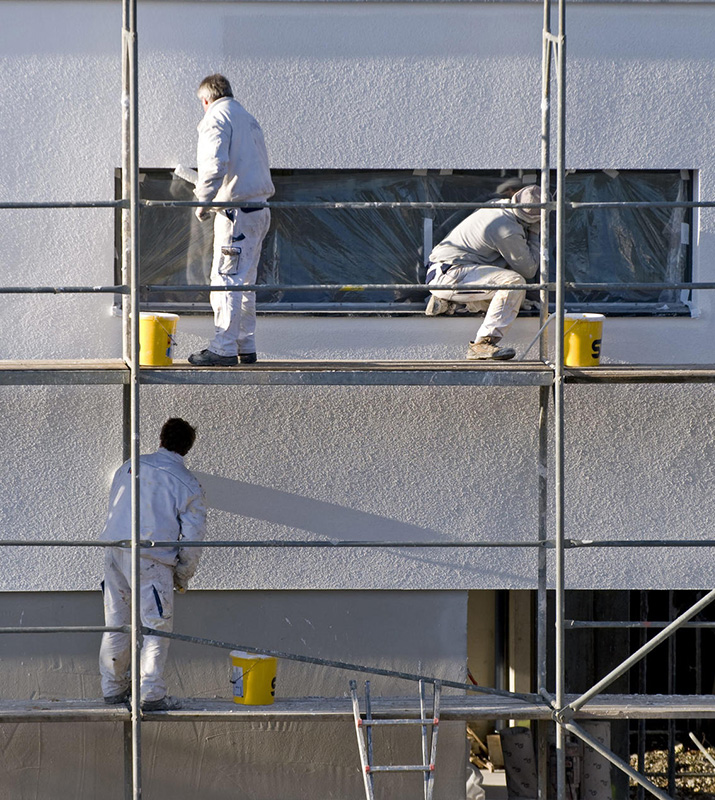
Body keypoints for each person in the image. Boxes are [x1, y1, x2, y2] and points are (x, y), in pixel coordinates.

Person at [99, 418, 206, 711]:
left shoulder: (129, 466)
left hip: (114, 550)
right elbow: (194, 537)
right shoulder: (186, 481)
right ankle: (151, 695)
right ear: (187, 448)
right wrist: (182, 575)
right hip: (151, 557)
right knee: (156, 627)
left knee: (117, 624)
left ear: (161, 439)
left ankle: (112, 689)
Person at [188, 74, 274, 367]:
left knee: (226, 280)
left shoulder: (216, 117)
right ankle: (244, 346)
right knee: (244, 282)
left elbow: (214, 162)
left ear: (205, 99)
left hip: (236, 215)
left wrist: (204, 199)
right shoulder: (248, 119)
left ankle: (223, 349)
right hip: (258, 211)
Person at [424, 184, 544, 361]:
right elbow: (529, 270)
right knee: (514, 283)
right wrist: (535, 233)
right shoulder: (506, 229)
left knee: (512, 299)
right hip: (450, 274)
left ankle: (452, 303)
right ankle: (482, 343)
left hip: (448, 269)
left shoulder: (498, 204)